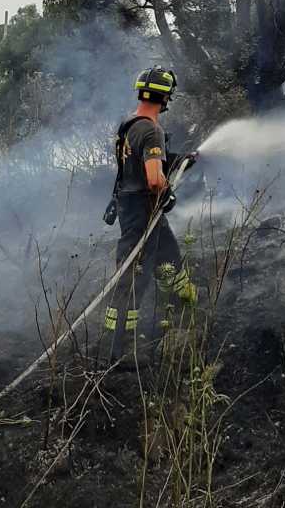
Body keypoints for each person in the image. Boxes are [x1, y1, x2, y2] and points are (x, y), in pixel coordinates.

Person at [103, 66, 198, 368]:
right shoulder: (152, 129)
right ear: (166, 96)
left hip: (135, 208)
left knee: (169, 256)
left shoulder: (130, 125)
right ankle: (118, 352)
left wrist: (177, 161)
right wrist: (165, 187)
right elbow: (154, 179)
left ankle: (187, 306)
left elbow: (133, 168)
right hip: (143, 212)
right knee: (133, 279)